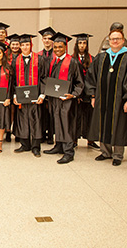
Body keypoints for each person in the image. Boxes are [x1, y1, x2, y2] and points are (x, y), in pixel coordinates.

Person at [86, 27, 127, 166]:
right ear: (108, 40)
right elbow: (92, 77)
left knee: (120, 125)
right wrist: (93, 96)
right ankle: (105, 152)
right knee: (103, 123)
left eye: (118, 39)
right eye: (112, 39)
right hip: (102, 99)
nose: (115, 41)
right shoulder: (102, 57)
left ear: (123, 41)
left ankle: (118, 155)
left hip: (121, 100)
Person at [41, 33, 84, 164]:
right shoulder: (52, 61)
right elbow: (45, 78)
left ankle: (69, 152)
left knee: (67, 124)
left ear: (65, 47)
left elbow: (80, 82)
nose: (57, 50)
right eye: (55, 47)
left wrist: (74, 94)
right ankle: (58, 146)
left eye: (60, 47)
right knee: (56, 122)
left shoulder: (72, 62)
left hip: (67, 100)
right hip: (54, 98)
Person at [12, 34, 46, 157]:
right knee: (22, 120)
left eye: (27, 44)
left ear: (31, 45)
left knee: (36, 120)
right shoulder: (16, 60)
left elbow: (43, 78)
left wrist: (42, 94)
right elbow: (13, 80)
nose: (25, 47)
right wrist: (14, 95)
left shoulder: (40, 59)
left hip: (35, 96)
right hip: (21, 97)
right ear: (20, 46)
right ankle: (25, 144)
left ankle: (36, 147)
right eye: (23, 45)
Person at [71, 33, 100, 150]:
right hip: (76, 93)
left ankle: (90, 140)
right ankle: (74, 140)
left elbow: (94, 78)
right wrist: (76, 93)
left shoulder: (93, 59)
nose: (82, 45)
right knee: (75, 117)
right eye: (80, 43)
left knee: (89, 117)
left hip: (88, 94)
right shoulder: (72, 59)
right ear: (76, 44)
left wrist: (92, 94)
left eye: (84, 43)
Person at [37, 27, 56, 146]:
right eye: (45, 39)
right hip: (42, 87)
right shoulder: (38, 55)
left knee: (53, 112)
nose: (47, 41)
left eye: (49, 39)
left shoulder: (57, 54)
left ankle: (51, 135)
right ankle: (42, 133)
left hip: (54, 87)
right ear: (42, 40)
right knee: (42, 111)